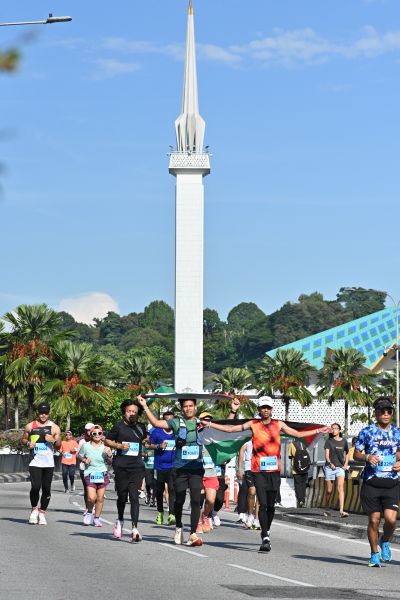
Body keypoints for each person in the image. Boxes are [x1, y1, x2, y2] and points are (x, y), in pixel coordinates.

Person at [201, 396, 330, 553]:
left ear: (271, 409)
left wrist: (318, 430)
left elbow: (297, 434)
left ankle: (266, 530)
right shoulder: (253, 424)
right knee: (262, 503)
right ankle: (265, 536)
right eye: (263, 407)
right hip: (258, 471)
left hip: (274, 472)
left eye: (268, 407)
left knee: (270, 505)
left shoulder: (278, 424)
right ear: (259, 409)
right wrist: (210, 424)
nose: (266, 410)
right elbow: (231, 429)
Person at [138, 395, 240, 547]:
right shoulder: (176, 422)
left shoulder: (201, 423)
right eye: (185, 406)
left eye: (191, 406)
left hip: (196, 469)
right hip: (179, 469)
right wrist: (145, 406)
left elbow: (225, 429)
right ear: (182, 408)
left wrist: (233, 411)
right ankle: (179, 526)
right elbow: (156, 423)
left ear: (195, 407)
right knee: (179, 500)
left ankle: (192, 533)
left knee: (195, 501)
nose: (188, 408)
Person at [354, 397, 400, 567]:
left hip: (392, 482)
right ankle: (374, 554)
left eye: (389, 411)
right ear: (376, 413)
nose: (386, 414)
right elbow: (356, 454)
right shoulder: (367, 432)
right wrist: (367, 457)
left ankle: (385, 540)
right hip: (371, 482)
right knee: (374, 520)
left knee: (391, 520)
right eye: (382, 411)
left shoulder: (397, 432)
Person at [105, 399, 147, 543]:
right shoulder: (118, 426)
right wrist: (119, 446)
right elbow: (107, 441)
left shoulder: (141, 427)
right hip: (121, 466)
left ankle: (135, 528)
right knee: (122, 496)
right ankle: (120, 520)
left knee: (134, 496)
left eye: (134, 411)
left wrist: (153, 444)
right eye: (129, 411)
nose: (132, 414)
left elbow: (146, 441)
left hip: (137, 466)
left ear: (138, 414)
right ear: (124, 412)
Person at [21, 402, 61, 525]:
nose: (43, 415)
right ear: (37, 412)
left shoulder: (54, 427)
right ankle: (34, 510)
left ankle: (42, 512)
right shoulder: (30, 426)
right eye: (41, 413)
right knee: (35, 487)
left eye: (46, 413)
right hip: (35, 462)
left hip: (48, 463)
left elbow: (58, 446)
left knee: (46, 489)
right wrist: (28, 443)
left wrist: (53, 440)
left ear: (49, 413)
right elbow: (23, 439)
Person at [78, 425, 112, 526]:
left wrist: (109, 455)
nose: (97, 435)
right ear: (91, 434)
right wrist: (84, 460)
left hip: (102, 473)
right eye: (94, 433)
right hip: (90, 473)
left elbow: (109, 462)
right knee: (91, 498)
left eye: (99, 433)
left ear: (102, 434)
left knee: (100, 498)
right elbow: (79, 455)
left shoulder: (105, 447)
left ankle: (96, 518)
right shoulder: (86, 446)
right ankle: (89, 512)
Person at [148, 410, 176, 526]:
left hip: (173, 466)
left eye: (171, 420)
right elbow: (148, 445)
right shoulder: (157, 432)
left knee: (172, 490)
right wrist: (159, 446)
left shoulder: (177, 432)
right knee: (159, 491)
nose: (169, 423)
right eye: (166, 420)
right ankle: (160, 512)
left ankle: (171, 514)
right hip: (159, 467)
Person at [323, 423, 349, 518]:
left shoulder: (344, 441)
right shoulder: (328, 441)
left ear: (339, 430)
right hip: (329, 467)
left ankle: (341, 511)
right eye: (332, 428)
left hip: (340, 468)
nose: (334, 430)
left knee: (340, 488)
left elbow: (347, 453)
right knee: (329, 490)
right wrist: (330, 463)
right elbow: (327, 455)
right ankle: (326, 508)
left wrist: (345, 464)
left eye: (336, 428)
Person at [237, 440, 260, 529]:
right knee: (252, 491)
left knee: (260, 493)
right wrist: (239, 468)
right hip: (249, 468)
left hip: (261, 468)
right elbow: (241, 451)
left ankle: (257, 519)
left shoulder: (264, 437)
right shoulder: (247, 440)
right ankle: (250, 515)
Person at [288, 438, 311, 508]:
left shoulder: (292, 444)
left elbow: (290, 456)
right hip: (305, 468)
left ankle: (300, 500)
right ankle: (303, 500)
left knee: (297, 485)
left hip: (296, 469)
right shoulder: (305, 444)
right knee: (303, 484)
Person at [77, 423, 94, 513]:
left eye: (91, 430)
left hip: (96, 469)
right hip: (84, 468)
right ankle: (88, 508)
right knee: (87, 488)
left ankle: (94, 506)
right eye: (88, 430)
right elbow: (78, 455)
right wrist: (84, 459)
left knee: (95, 489)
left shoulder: (98, 440)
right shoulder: (82, 442)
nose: (90, 432)